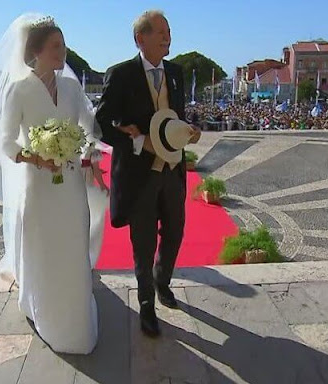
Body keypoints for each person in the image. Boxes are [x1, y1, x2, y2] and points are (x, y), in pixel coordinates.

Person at [0, 14, 101, 354]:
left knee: (74, 243)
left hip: (72, 184)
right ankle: (45, 308)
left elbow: (91, 130)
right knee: (45, 246)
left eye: (63, 45)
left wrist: (90, 154)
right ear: (36, 52)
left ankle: (75, 312)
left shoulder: (73, 88)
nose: (63, 51)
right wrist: (35, 158)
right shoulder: (19, 89)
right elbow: (4, 143)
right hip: (39, 185)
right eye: (56, 46)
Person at [96, 10, 201, 338]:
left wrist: (189, 131)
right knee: (141, 242)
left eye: (169, 31)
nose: (168, 37)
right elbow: (101, 125)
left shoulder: (176, 73)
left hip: (172, 171)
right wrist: (139, 140)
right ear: (140, 39)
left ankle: (162, 281)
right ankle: (145, 304)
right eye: (161, 32)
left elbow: (174, 119)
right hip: (139, 174)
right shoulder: (121, 74)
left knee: (175, 231)